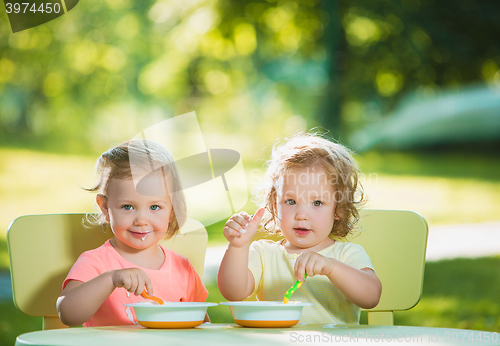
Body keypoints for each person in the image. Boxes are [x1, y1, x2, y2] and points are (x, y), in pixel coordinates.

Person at [218, 133, 382, 325]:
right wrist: (237, 247)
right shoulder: (264, 254)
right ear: (274, 203)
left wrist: (330, 267)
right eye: (291, 201)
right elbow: (233, 292)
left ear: (338, 208)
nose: (301, 214)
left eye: (317, 202)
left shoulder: (346, 255)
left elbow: (371, 297)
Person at [57, 140, 208, 327]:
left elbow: (201, 325)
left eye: (155, 207)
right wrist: (111, 279)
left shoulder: (183, 268)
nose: (141, 220)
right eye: (127, 207)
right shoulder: (96, 263)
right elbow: (68, 314)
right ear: (105, 207)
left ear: (172, 210)